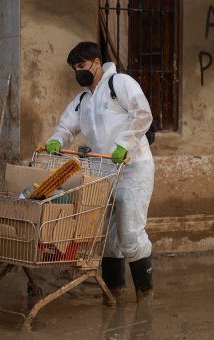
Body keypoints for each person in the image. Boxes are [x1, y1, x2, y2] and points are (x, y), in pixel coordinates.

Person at [45, 41, 154, 305]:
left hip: (133, 167)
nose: (78, 71)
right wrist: (57, 140)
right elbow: (66, 127)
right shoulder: (83, 98)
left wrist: (123, 145)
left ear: (96, 62)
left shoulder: (121, 84)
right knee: (105, 235)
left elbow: (143, 114)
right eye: (74, 68)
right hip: (102, 172)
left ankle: (145, 292)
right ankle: (113, 291)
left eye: (81, 65)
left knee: (130, 234)